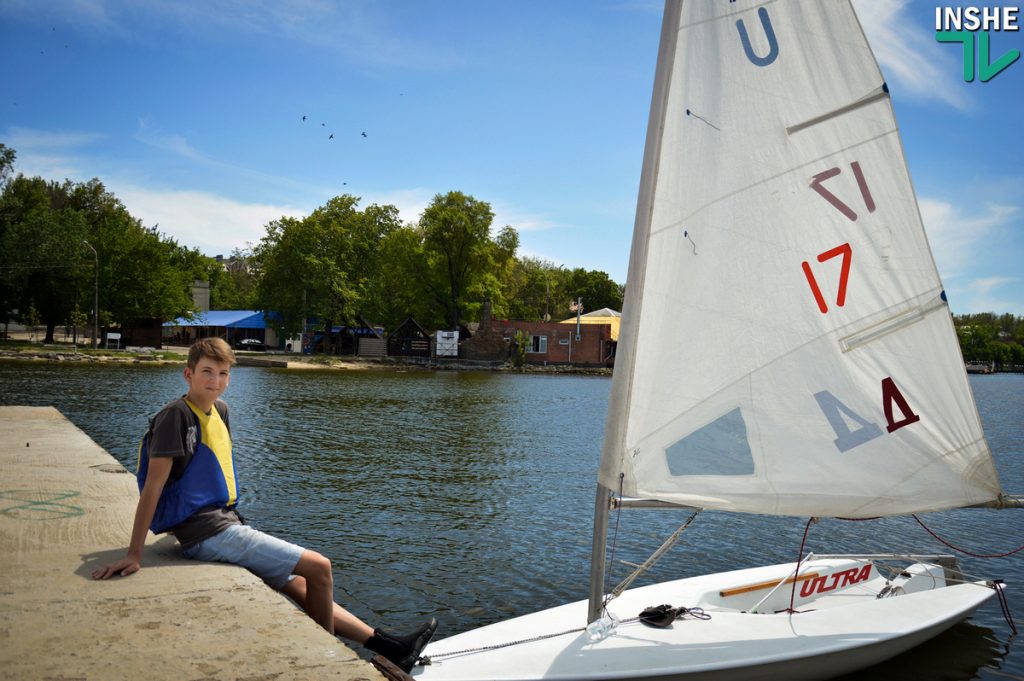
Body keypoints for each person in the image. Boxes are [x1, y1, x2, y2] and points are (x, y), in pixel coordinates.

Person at [93, 337, 435, 672]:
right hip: (206, 533)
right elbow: (153, 487)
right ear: (188, 374)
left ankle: (392, 647)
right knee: (320, 567)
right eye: (207, 372)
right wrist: (134, 554)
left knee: (299, 582)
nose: (216, 382)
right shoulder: (175, 417)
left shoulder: (220, 410)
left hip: (225, 523)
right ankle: (329, 665)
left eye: (223, 373)